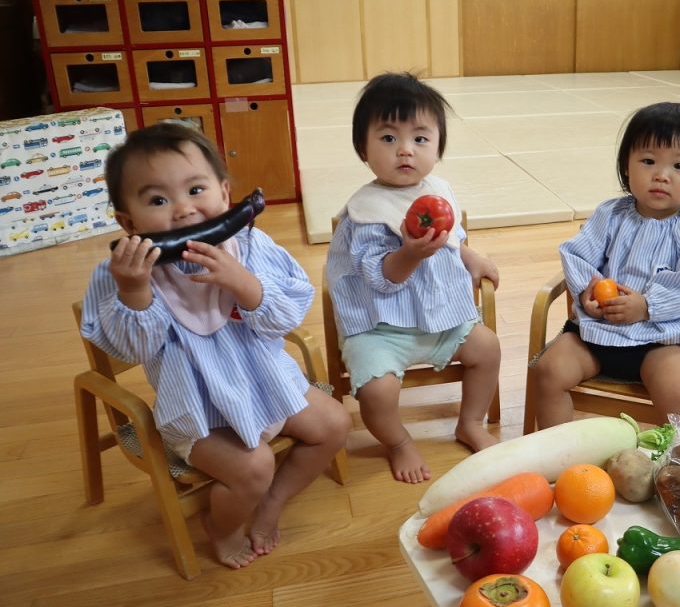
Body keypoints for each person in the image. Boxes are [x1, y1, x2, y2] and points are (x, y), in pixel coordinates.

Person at [80, 123, 351, 570]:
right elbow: (132, 349)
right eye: (158, 200)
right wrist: (134, 291)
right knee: (254, 468)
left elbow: (287, 317)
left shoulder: (251, 246)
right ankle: (222, 528)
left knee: (335, 424)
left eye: (196, 189)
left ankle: (272, 502)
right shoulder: (122, 277)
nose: (184, 209)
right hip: (198, 410)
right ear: (128, 223)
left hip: (270, 384)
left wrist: (246, 285)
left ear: (225, 194)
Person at [326, 72, 500, 484]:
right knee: (378, 391)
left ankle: (470, 422)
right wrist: (408, 254)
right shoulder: (366, 213)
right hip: (380, 328)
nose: (405, 150)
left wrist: (469, 254)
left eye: (420, 138)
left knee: (488, 348)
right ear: (363, 149)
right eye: (388, 138)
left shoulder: (438, 191)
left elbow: (453, 236)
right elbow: (380, 278)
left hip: (440, 316)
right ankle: (399, 442)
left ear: (437, 147)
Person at [531, 102, 680, 429]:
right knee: (547, 371)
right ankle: (557, 450)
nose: (661, 175)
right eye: (648, 161)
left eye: (679, 165)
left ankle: (675, 456)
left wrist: (647, 306)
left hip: (661, 338)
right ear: (627, 166)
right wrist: (587, 291)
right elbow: (577, 254)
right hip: (597, 331)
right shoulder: (610, 214)